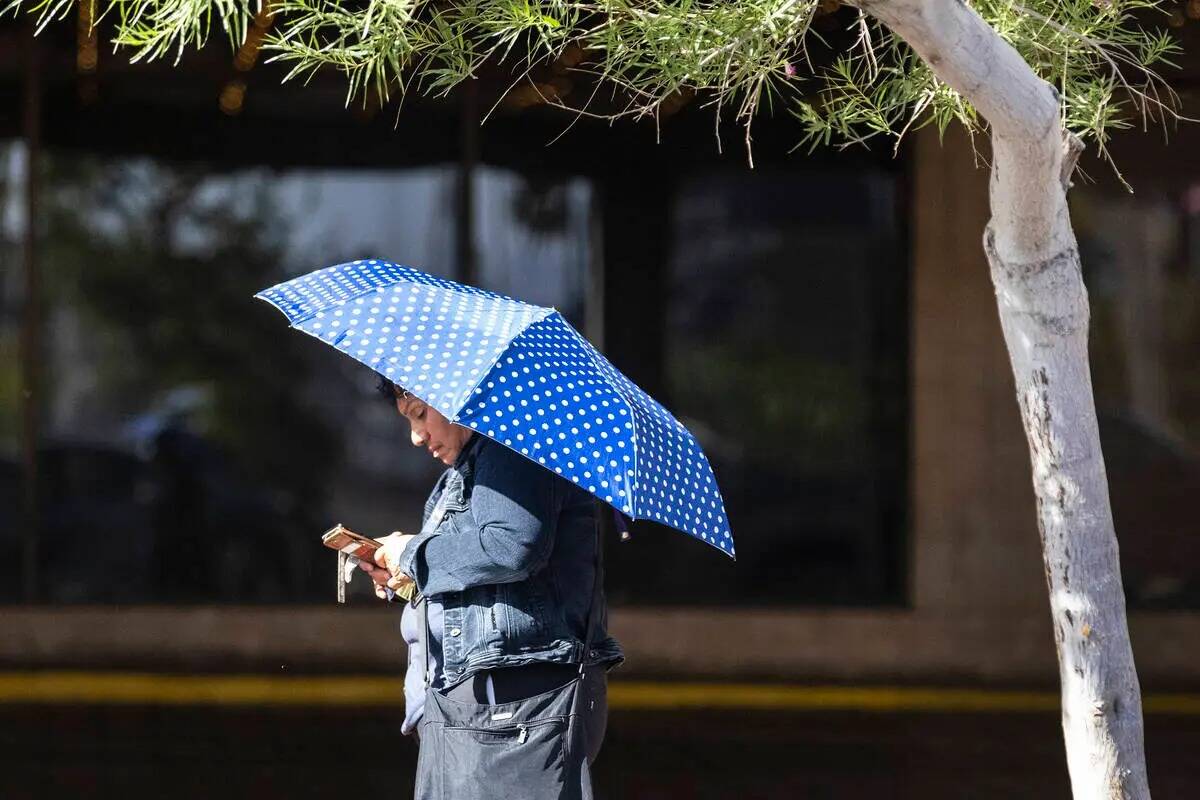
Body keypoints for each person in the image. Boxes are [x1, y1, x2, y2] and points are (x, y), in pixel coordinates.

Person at [359, 373, 623, 799]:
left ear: (456, 395)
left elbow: (510, 547)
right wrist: (409, 578)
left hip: (512, 707)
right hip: (484, 708)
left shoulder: (511, 452)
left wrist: (412, 552)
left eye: (420, 414)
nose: (415, 435)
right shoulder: (475, 464)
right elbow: (484, 579)